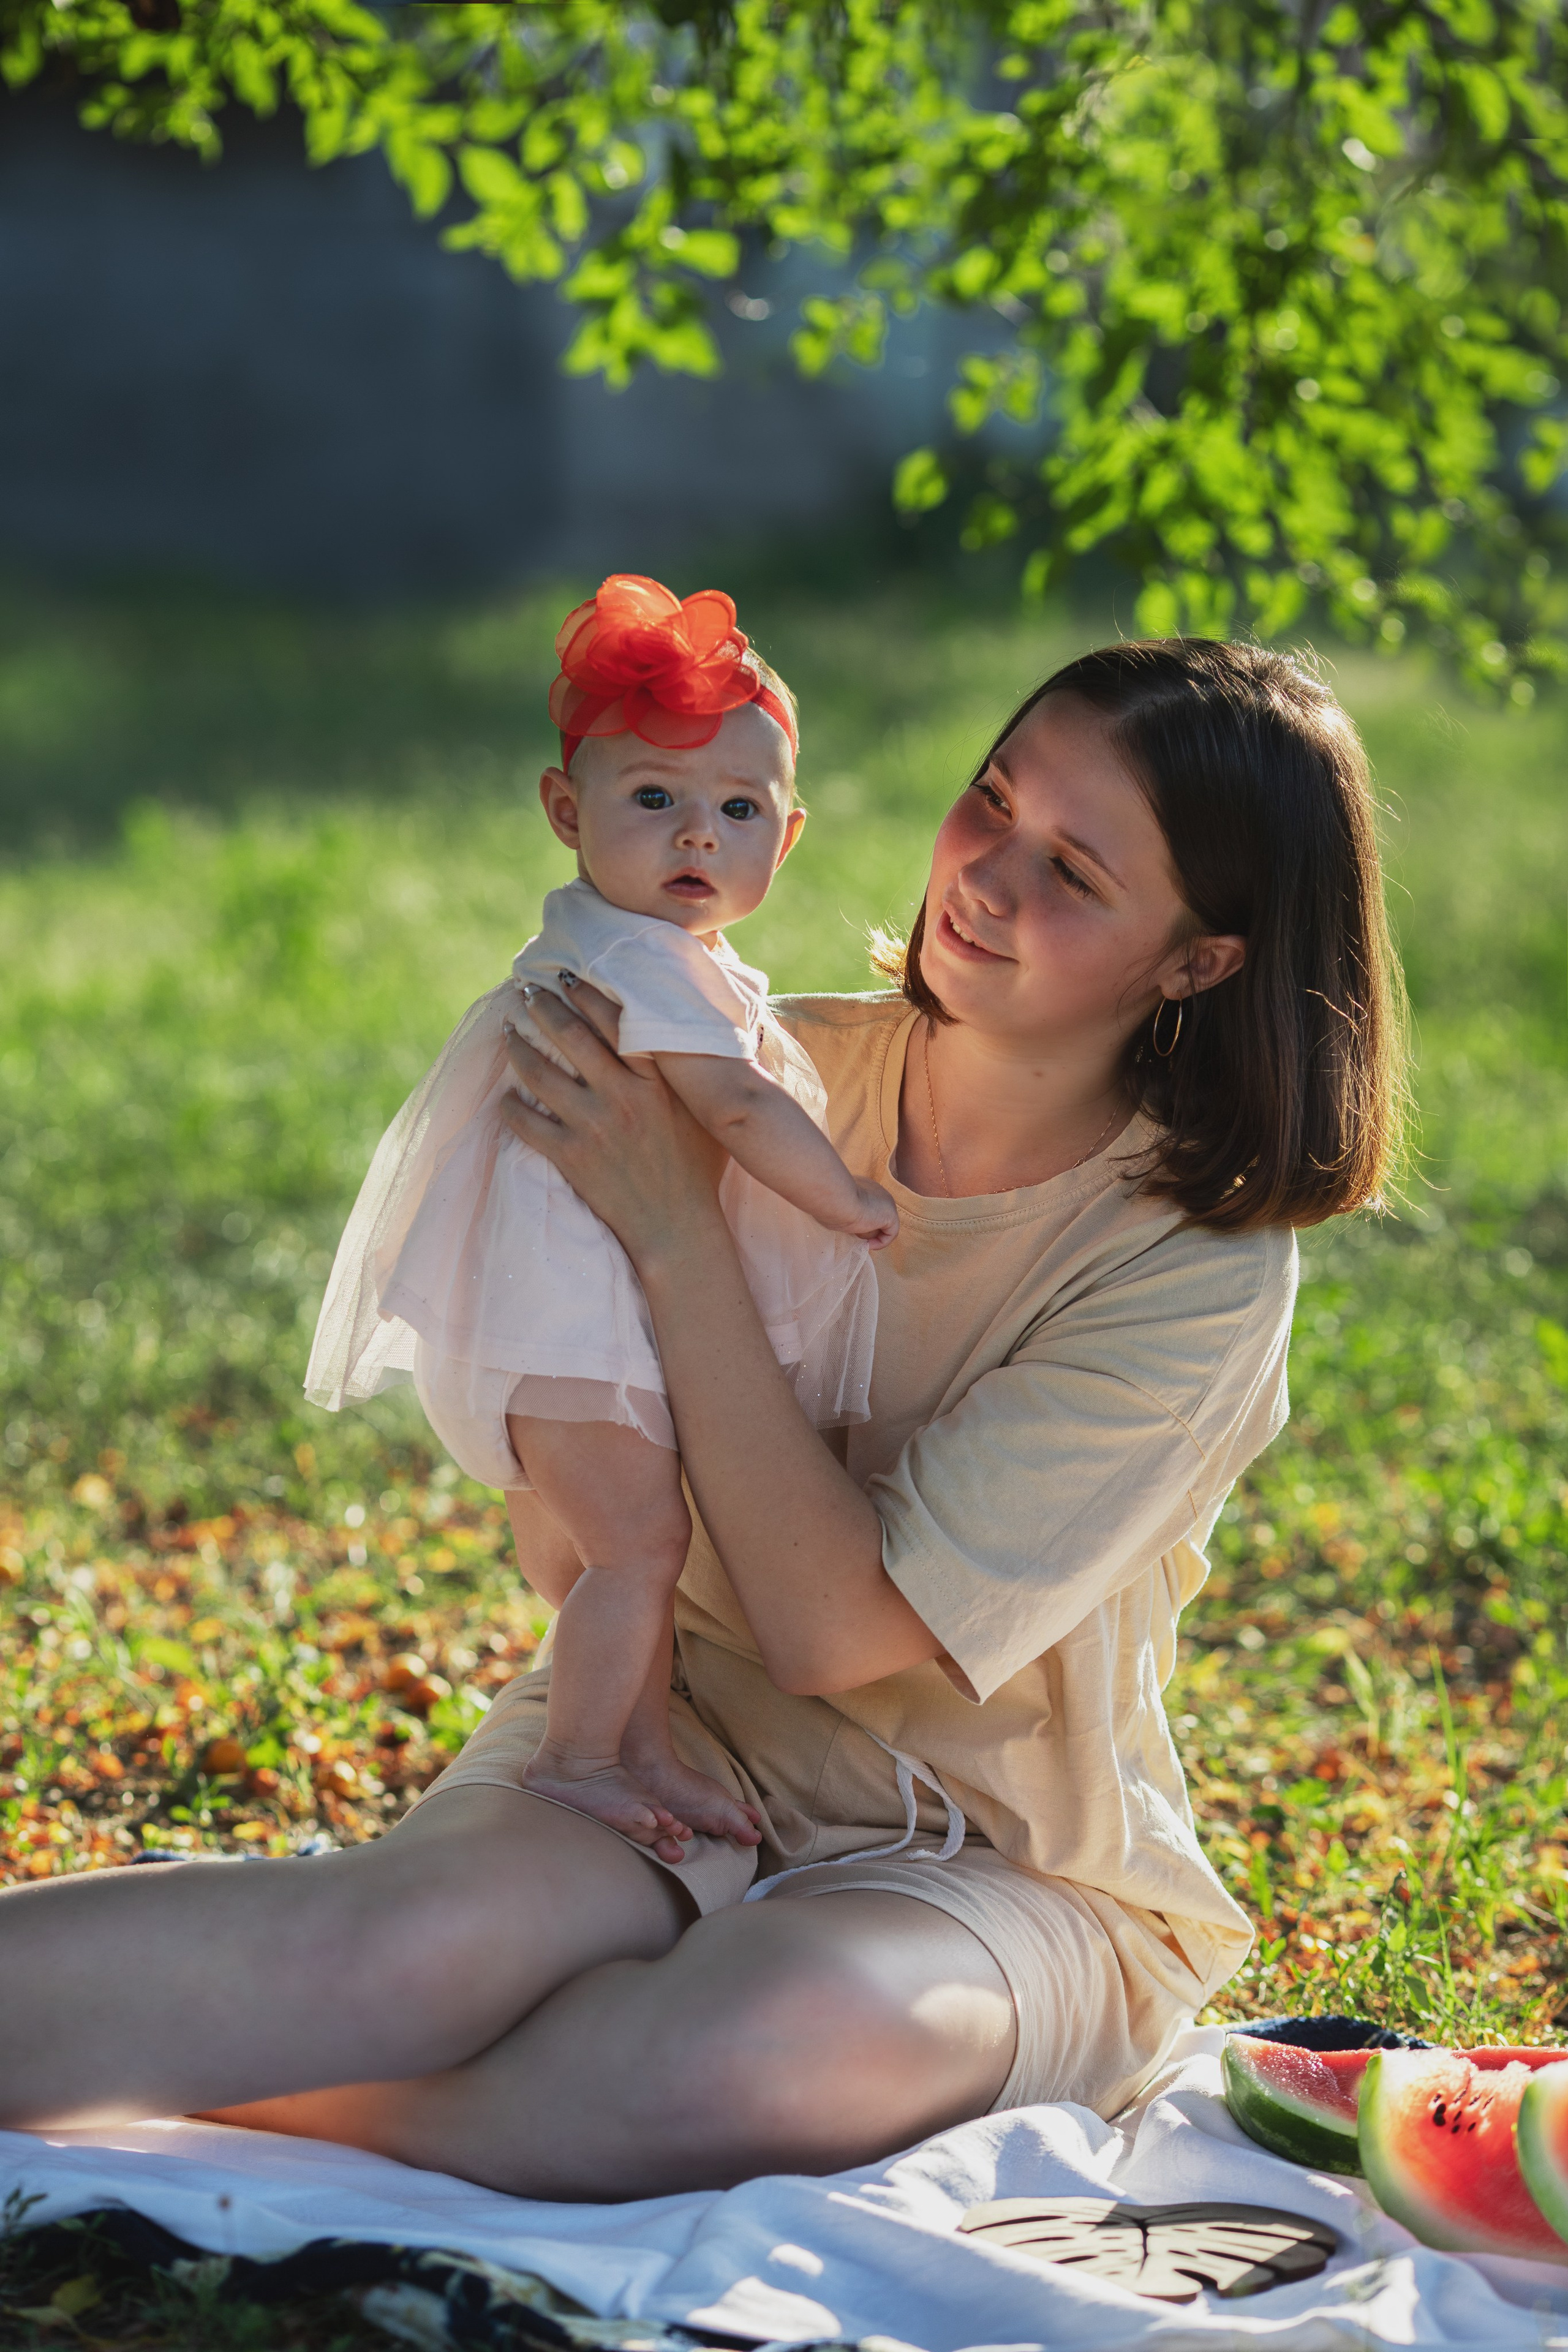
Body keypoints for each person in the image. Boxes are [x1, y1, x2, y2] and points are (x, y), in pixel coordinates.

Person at [0, 636, 1404, 2205]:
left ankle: (240, 2058)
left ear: (1197, 959)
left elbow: (831, 1631)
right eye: (988, 802)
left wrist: (678, 1234)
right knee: (398, 1947)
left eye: (1071, 871)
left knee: (729, 2058)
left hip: (1001, 1861)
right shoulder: (734, 1053)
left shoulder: (1192, 1263)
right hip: (653, 1734)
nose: (984, 880)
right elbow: (558, 1489)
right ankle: (294, 2009)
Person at [305, 573, 895, 1858]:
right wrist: (845, 1195)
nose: (698, 838)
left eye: (737, 810)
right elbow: (734, 1109)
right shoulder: (640, 959)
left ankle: (633, 1744)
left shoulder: (615, 938)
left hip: (546, 1313)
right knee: (641, 1544)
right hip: (578, 1316)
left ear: (785, 838)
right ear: (566, 814)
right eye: (654, 802)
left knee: (595, 1554)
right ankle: (580, 1758)